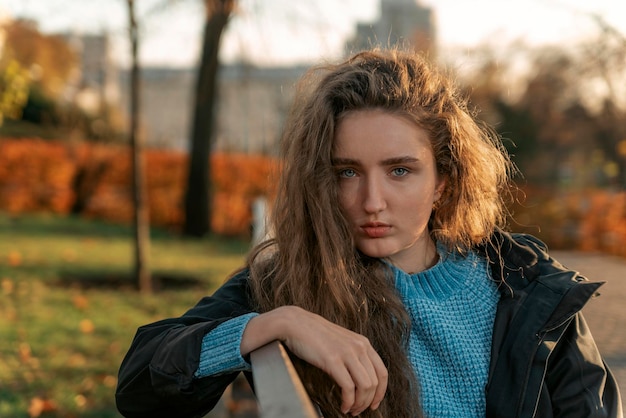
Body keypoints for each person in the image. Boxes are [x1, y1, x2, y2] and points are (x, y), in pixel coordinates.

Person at [115, 48, 622, 418]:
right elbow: (139, 384)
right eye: (346, 172)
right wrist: (278, 323)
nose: (371, 202)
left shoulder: (527, 285)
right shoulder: (288, 281)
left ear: (443, 180)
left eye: (400, 170)